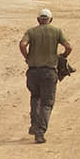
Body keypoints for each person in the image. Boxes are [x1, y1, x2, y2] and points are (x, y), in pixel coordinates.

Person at [20, 8, 71, 143]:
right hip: (49, 72)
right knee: (47, 103)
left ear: (38, 20)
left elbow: (22, 44)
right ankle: (40, 132)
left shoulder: (31, 31)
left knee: (35, 97)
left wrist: (27, 57)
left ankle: (34, 125)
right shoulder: (56, 31)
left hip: (32, 72)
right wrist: (63, 56)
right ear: (51, 20)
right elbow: (68, 47)